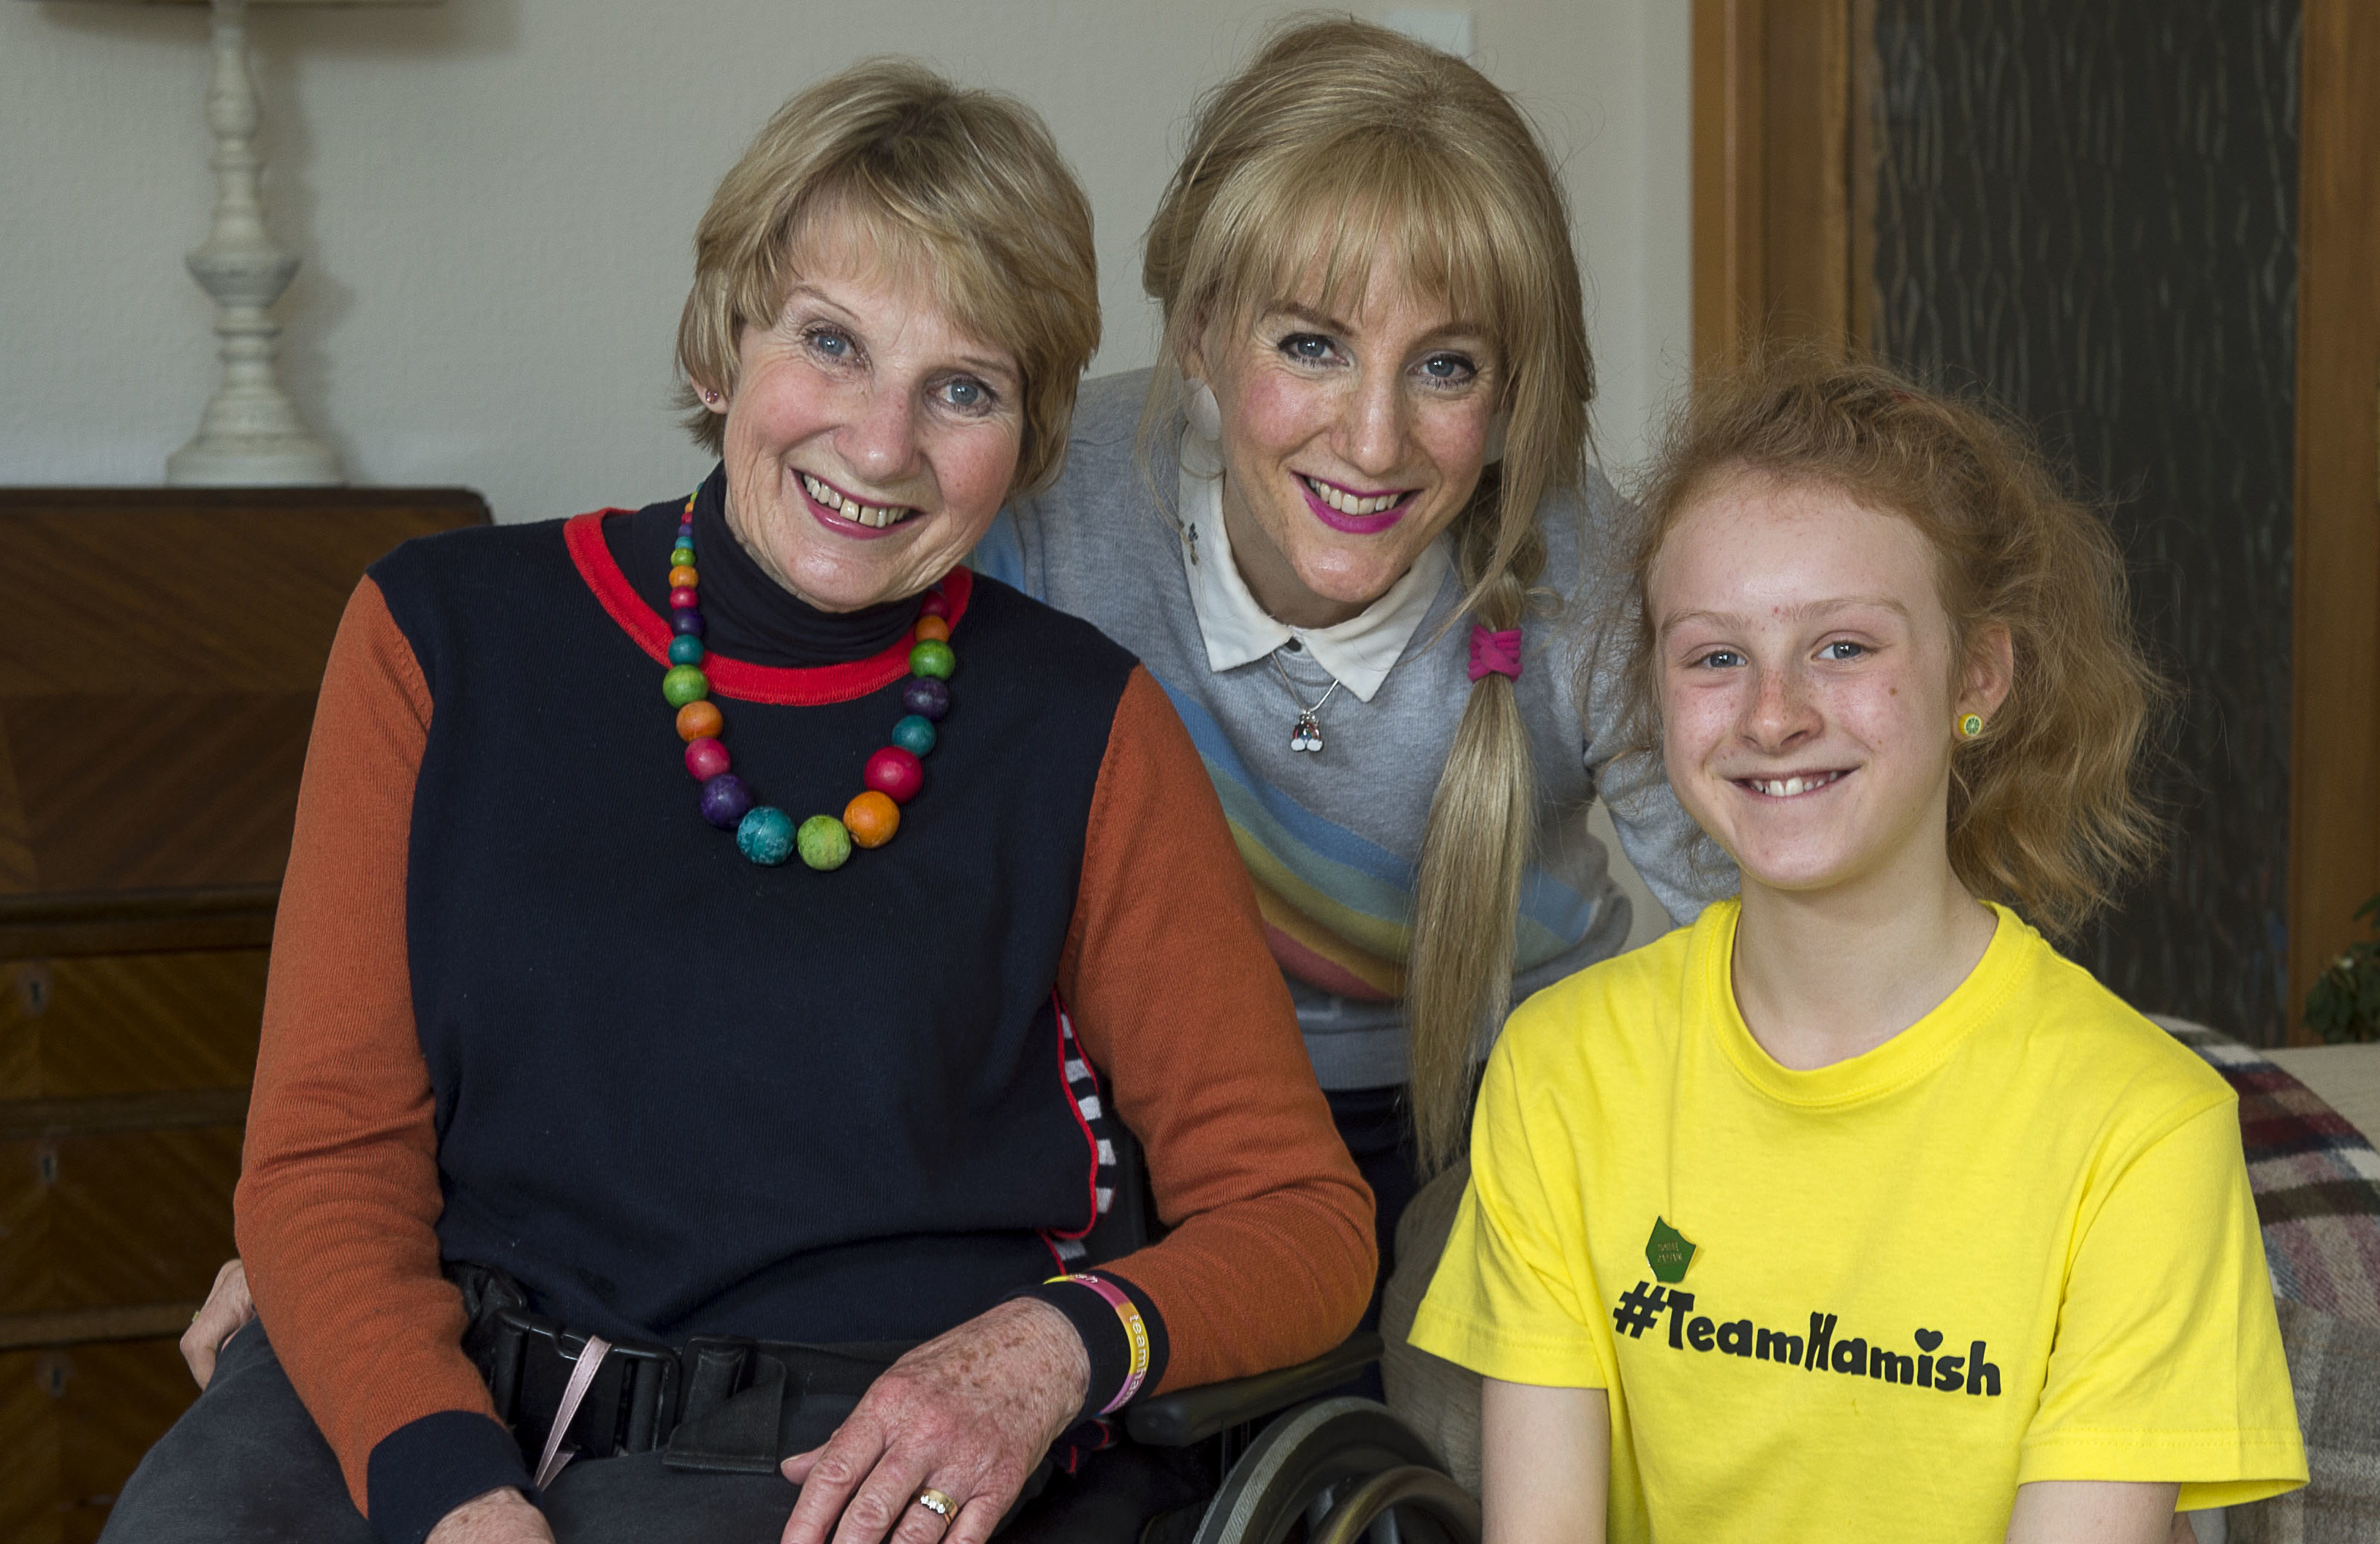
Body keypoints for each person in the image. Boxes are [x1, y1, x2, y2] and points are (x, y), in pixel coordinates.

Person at [109, 59, 1372, 1544]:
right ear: (719, 349)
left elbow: (1298, 1218)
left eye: (959, 388)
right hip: (436, 1393)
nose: (880, 442)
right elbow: (328, 1155)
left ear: (1023, 440)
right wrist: (452, 1493)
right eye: (829, 345)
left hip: (834, 1448)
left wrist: (1054, 1347)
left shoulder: (1081, 727)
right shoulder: (438, 638)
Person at [1409, 355, 2308, 1541]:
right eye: (1715, 656)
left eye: (1843, 647)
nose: (1773, 713)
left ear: (1976, 677)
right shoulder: (1561, 1069)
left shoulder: (2145, 1135)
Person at [974, 16, 1721, 1314]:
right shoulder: (1046, 498)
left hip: (1506, 1114)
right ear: (1201, 332)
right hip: (1151, 1120)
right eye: (1311, 345)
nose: (1373, 443)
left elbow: (1752, 905)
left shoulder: (1584, 567)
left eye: (1445, 367)